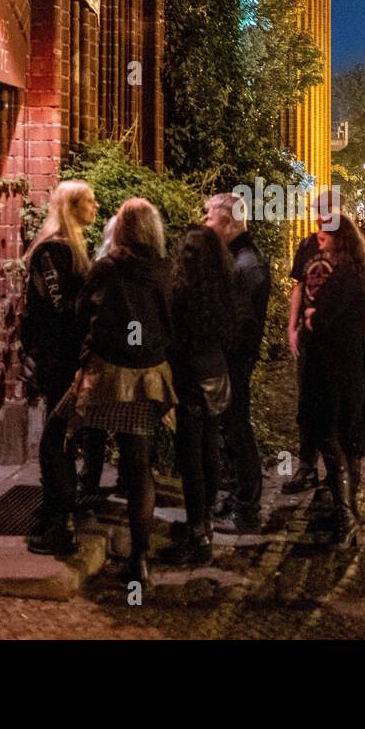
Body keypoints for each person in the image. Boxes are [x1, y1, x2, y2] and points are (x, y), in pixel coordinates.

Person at [71, 198, 177, 589]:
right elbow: (171, 322)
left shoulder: (107, 268)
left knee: (70, 436)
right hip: (146, 376)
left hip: (108, 374)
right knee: (138, 466)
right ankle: (140, 557)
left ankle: (71, 521)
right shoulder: (164, 270)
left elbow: (83, 313)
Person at [22, 180, 99, 556]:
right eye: (89, 201)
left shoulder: (73, 250)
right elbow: (56, 309)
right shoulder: (52, 253)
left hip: (69, 361)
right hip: (58, 361)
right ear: (70, 206)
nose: (96, 206)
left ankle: (57, 516)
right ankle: (60, 522)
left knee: (60, 440)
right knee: (56, 441)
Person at [298, 215, 365, 548]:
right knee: (348, 435)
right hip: (350, 363)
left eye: (325, 234)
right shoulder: (358, 273)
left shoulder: (343, 277)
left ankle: (346, 517)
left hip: (333, 366)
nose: (319, 237)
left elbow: (323, 318)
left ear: (338, 239)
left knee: (332, 436)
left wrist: (310, 317)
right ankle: (348, 509)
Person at [158, 226, 234, 566]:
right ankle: (204, 525)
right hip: (217, 373)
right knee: (209, 450)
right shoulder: (225, 287)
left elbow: (173, 336)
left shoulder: (183, 291)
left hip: (191, 377)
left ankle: (197, 534)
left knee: (191, 458)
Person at [204, 194, 270, 531]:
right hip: (231, 361)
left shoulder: (246, 264)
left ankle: (246, 509)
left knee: (238, 430)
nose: (205, 222)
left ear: (229, 222)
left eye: (210, 216)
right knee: (232, 430)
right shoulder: (239, 258)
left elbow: (241, 323)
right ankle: (237, 499)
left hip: (234, 363)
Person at [283, 192, 341, 494]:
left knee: (332, 401)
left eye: (327, 212)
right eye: (318, 212)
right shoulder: (307, 245)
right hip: (309, 337)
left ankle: (337, 469)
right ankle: (307, 464)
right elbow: (299, 286)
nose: (321, 217)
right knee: (306, 399)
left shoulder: (346, 248)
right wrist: (292, 326)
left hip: (334, 338)